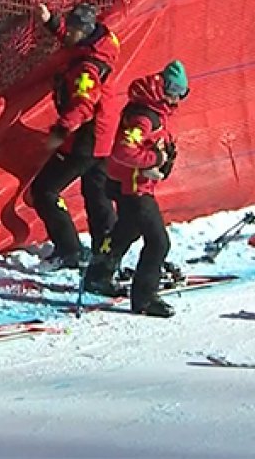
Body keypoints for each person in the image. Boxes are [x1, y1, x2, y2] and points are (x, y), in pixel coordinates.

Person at [83, 60, 190, 318]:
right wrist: (155, 160)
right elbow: (123, 149)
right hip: (134, 188)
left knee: (126, 231)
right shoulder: (146, 116)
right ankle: (144, 297)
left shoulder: (153, 108)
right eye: (174, 91)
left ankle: (99, 273)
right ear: (163, 87)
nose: (177, 99)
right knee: (158, 242)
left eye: (182, 93)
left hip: (127, 182)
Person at [29, 0, 121, 269]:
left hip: (86, 138)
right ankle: (106, 254)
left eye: (70, 29)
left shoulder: (87, 69)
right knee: (97, 195)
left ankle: (69, 249)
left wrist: (61, 130)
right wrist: (50, 21)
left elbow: (83, 106)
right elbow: (73, 40)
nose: (66, 33)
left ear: (82, 30)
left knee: (44, 189)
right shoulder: (100, 43)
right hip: (104, 135)